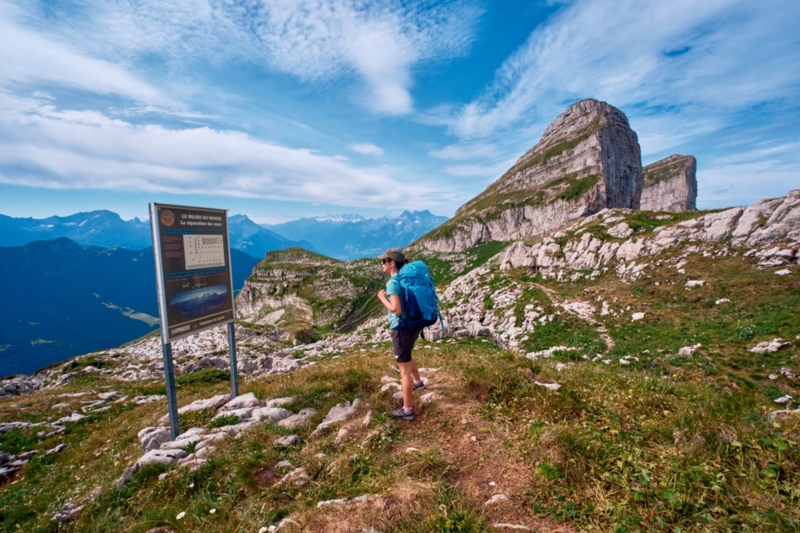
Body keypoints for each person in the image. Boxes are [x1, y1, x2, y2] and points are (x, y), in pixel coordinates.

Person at [377, 248, 425, 421]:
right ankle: (418, 383)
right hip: (412, 325)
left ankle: (407, 410)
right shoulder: (404, 280)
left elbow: (396, 309)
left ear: (391, 263)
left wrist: (382, 298)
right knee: (408, 355)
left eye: (383, 261)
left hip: (401, 327)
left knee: (404, 371)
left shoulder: (393, 283)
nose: (381, 264)